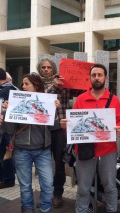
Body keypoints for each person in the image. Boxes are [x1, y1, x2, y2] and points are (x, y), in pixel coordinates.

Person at [61, 64, 120, 213]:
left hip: (108, 149)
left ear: (105, 78)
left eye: (100, 75)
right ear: (89, 78)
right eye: (94, 75)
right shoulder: (81, 99)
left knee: (110, 186)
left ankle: (111, 210)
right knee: (83, 187)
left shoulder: (114, 100)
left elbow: (119, 120)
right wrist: (65, 125)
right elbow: (74, 124)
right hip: (84, 149)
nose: (96, 78)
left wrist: (119, 128)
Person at [0, 72, 60, 213]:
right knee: (25, 186)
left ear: (36, 85)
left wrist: (55, 112)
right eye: (23, 84)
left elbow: (53, 127)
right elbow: (9, 130)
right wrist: (6, 113)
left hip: (43, 150)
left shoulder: (47, 101)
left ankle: (45, 209)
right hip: (21, 150)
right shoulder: (16, 101)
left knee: (48, 184)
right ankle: (27, 210)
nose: (23, 86)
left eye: (27, 84)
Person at [36, 58, 83, 208]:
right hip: (42, 130)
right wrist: (53, 88)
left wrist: (83, 80)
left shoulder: (65, 83)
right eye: (43, 67)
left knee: (59, 164)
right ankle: (45, 196)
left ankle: (57, 194)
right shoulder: (36, 84)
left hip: (59, 130)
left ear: (54, 69)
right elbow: (41, 99)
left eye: (49, 67)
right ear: (39, 69)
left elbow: (82, 91)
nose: (46, 69)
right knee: (42, 165)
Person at [0, 68, 17, 189]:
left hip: (5, 128)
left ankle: (8, 180)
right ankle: (1, 176)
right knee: (5, 152)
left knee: (5, 153)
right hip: (10, 127)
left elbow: (2, 111)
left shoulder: (3, 91)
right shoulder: (12, 88)